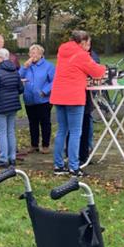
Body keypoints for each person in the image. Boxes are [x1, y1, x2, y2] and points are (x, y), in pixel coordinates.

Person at [50, 30, 106, 177]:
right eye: (88, 43)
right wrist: (105, 68)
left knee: (62, 130)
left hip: (58, 94)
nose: (89, 46)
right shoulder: (82, 55)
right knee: (76, 132)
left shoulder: (62, 52)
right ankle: (74, 167)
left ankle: (58, 165)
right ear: (82, 42)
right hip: (74, 96)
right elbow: (97, 72)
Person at [19, 44, 55, 154]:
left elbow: (54, 81)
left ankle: (45, 145)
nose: (33, 55)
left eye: (35, 53)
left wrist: (45, 91)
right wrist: (24, 67)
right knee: (32, 123)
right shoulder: (26, 66)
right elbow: (18, 77)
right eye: (31, 53)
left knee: (45, 123)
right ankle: (34, 145)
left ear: (41, 55)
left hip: (43, 100)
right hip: (29, 99)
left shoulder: (48, 66)